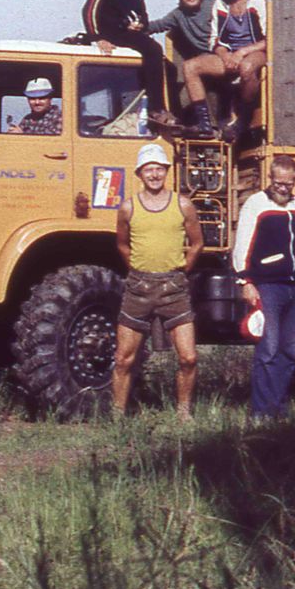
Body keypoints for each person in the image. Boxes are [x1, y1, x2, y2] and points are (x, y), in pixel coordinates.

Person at [112, 142, 202, 419]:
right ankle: (117, 416)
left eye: (159, 169)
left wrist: (180, 272)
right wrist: (138, 269)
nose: (154, 174)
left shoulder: (183, 205)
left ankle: (183, 414)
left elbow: (197, 244)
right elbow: (122, 245)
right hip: (138, 289)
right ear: (139, 173)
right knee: (123, 359)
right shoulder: (128, 207)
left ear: (167, 171)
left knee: (189, 358)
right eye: (148, 169)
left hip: (174, 289)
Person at [232, 154, 295, 419]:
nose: (283, 188)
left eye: (289, 184)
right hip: (267, 286)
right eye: (278, 183)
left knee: (288, 351)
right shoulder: (255, 204)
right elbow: (243, 244)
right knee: (268, 349)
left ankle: (280, 409)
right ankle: (260, 412)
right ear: (270, 178)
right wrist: (245, 281)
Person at [81, 0, 177, 131]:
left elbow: (143, 14)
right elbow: (89, 10)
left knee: (168, 66)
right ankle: (156, 109)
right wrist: (97, 38)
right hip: (111, 33)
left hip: (128, 33)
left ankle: (167, 109)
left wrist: (140, 24)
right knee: (153, 49)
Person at [203, 0, 269, 142]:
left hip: (256, 51)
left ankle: (244, 119)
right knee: (192, 66)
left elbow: (268, 40)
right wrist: (225, 55)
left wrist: (241, 53)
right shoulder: (221, 3)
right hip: (231, 54)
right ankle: (206, 124)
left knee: (247, 68)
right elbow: (215, 39)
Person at [146, 0, 219, 136]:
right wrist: (135, 28)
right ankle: (204, 125)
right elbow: (158, 25)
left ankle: (210, 125)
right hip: (205, 61)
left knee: (192, 69)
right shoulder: (178, 14)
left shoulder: (213, 6)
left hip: (222, 54)